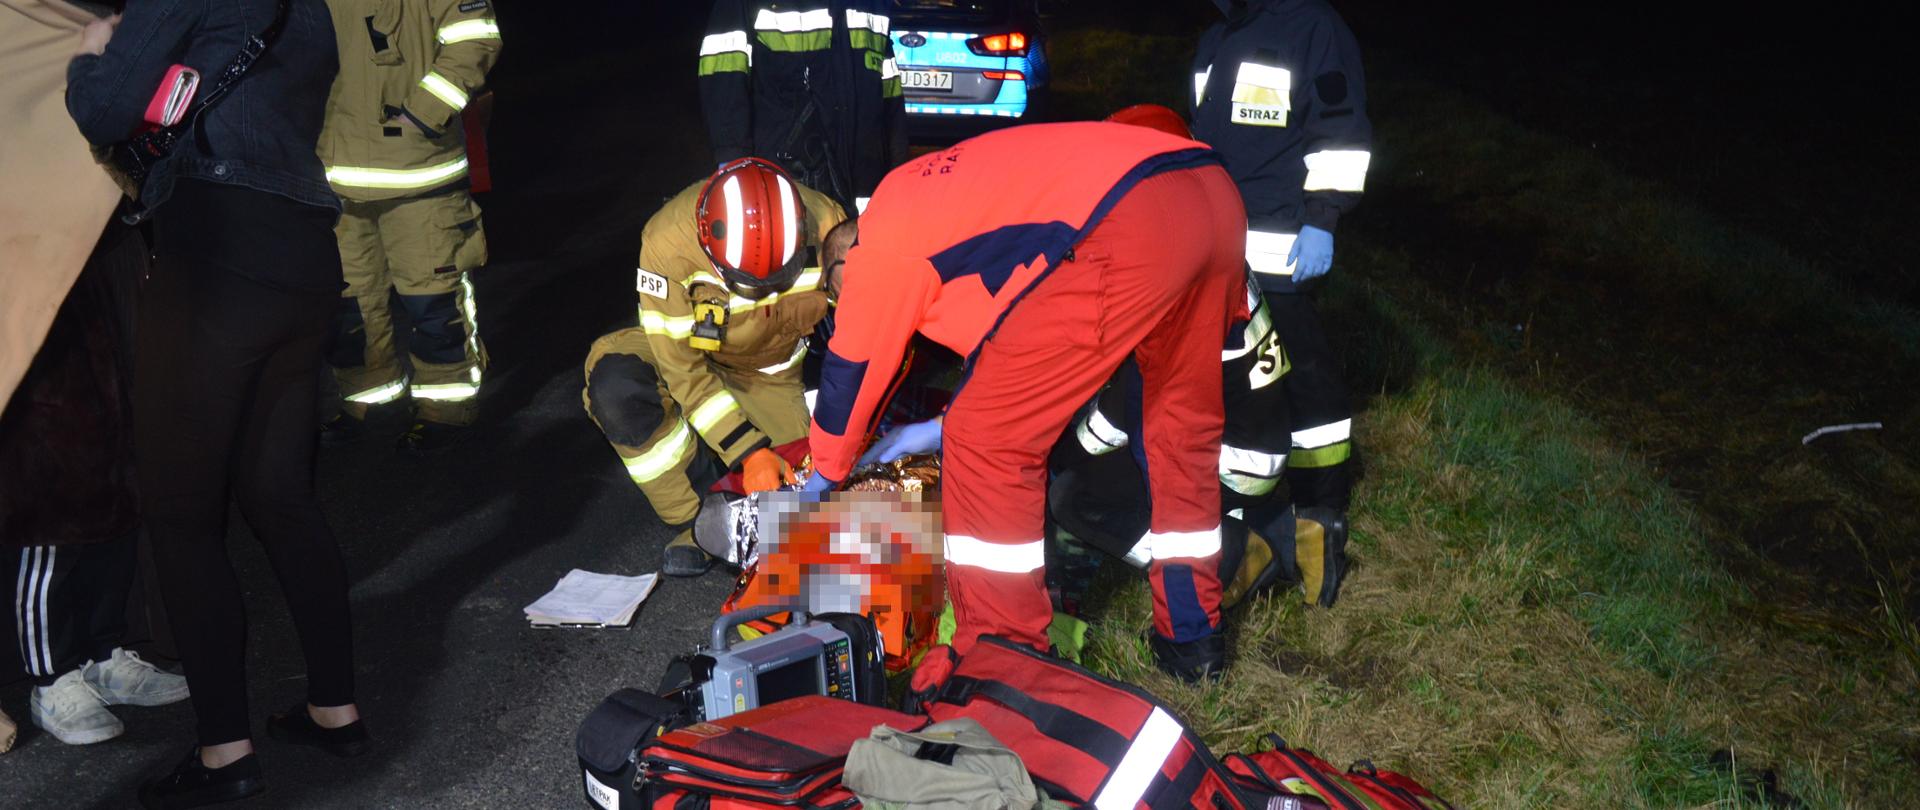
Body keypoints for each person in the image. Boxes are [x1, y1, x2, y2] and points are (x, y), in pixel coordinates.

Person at [804, 122, 1249, 681]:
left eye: (837, 294)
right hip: (1208, 194)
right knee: (1177, 430)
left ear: (843, 263)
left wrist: (824, 473)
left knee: (984, 441)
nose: (843, 305)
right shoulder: (939, 206)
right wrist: (937, 424)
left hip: (1124, 219)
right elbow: (1015, 352)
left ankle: (1001, 658)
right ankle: (1192, 639)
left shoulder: (880, 240)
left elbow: (851, 368)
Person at [66, 0, 366, 805]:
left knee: (180, 516)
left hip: (216, 253)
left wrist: (93, 52)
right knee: (282, 497)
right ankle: (335, 709)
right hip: (304, 253)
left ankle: (224, 755)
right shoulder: (313, 8)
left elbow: (105, 107)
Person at [583, 159, 849, 576]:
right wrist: (750, 452)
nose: (764, 291)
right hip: (688, 355)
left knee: (809, 503)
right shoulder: (666, 242)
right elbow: (682, 370)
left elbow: (859, 332)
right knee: (617, 386)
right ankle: (702, 517)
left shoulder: (827, 222)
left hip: (769, 372)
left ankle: (738, 512)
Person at [4, 221, 191, 748]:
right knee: (48, 524)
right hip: (24, 282)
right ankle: (51, 681)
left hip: (88, 278)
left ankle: (103, 656)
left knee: (115, 505)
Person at [1191, 0, 1372, 525]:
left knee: (1303, 384)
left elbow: (1340, 132)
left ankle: (1322, 506)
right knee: (1241, 380)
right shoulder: (1219, 35)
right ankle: (1247, 499)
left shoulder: (1312, 27)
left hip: (1284, 252)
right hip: (1221, 248)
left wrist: (1323, 217)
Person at [317, 0, 502, 452]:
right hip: (335, 176)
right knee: (349, 303)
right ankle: (368, 396)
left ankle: (445, 407)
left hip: (422, 173)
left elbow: (475, 37)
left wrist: (423, 113)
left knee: (433, 301)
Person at [699, 0, 909, 212]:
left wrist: (899, 172)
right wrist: (735, 166)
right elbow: (723, 80)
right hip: (787, 189)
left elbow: (889, 93)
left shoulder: (875, 4)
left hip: (865, 190)